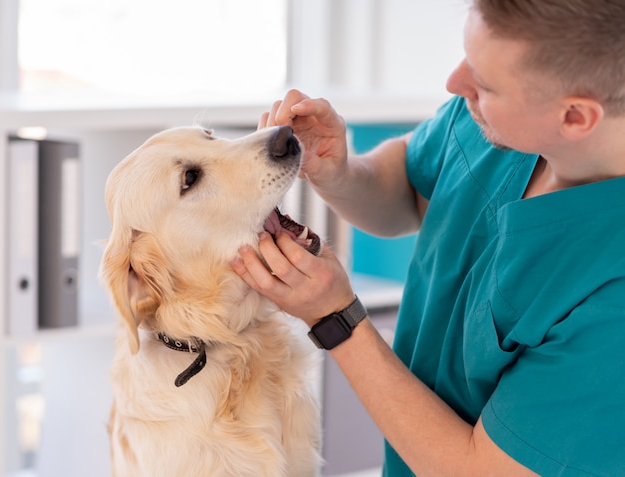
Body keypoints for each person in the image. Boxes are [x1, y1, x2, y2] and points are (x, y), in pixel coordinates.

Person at [231, 0, 625, 475]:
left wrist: (336, 319)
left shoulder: (612, 297)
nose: (454, 84)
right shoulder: (493, 120)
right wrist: (340, 171)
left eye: (483, 83)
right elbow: (410, 193)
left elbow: (478, 469)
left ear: (575, 117)